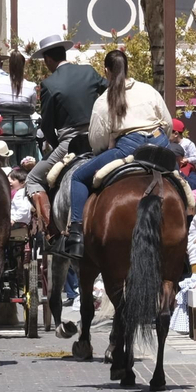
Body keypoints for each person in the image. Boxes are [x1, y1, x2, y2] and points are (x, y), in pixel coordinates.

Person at [60, 49, 172, 260]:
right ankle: (187, 235)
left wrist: (110, 146)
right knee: (179, 182)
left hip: (128, 146)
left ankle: (76, 235)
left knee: (78, 177)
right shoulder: (148, 90)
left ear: (106, 71)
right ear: (127, 67)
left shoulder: (104, 101)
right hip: (159, 143)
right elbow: (168, 122)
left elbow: (97, 142)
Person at [24, 34, 107, 226]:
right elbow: (110, 90)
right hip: (99, 138)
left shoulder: (49, 84)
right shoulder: (88, 71)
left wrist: (57, 147)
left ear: (48, 60)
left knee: (33, 178)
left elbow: (46, 125)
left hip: (70, 141)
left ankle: (50, 229)